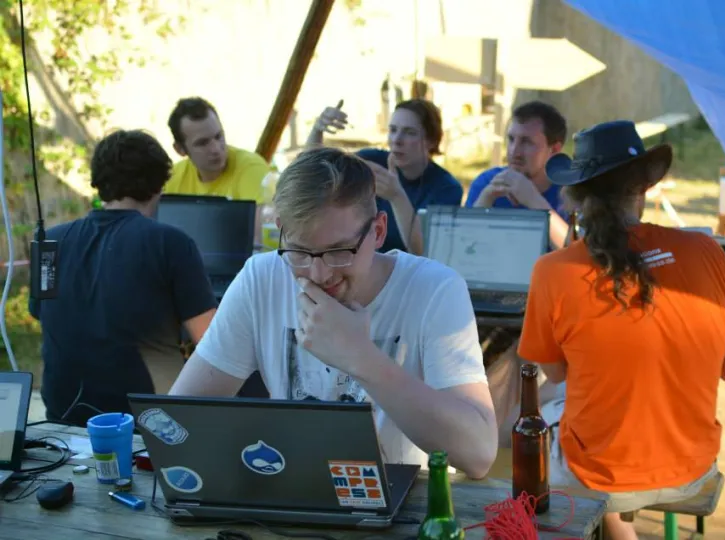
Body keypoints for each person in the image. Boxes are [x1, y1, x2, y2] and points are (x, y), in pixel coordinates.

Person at [168, 146, 498, 478]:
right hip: (293, 489)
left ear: (378, 231)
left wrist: (360, 357)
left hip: (404, 502)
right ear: (281, 230)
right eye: (299, 251)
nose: (318, 274)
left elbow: (479, 454)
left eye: (338, 252)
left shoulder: (434, 290)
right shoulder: (262, 278)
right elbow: (180, 418)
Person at [517, 120, 725, 539]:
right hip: (691, 468)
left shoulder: (552, 272)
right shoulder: (707, 251)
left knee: (538, 419)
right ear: (644, 187)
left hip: (601, 475)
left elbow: (559, 375)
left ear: (577, 196)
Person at [29, 130, 217, 427]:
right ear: (159, 184)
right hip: (146, 426)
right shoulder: (171, 243)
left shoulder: (50, 242)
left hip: (62, 419)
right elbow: (211, 341)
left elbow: (45, 315)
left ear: (97, 181)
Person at [306, 98, 463, 255]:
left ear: (431, 141)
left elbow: (425, 252)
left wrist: (396, 196)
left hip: (412, 274)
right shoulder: (374, 161)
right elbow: (313, 169)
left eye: (410, 133)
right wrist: (317, 130)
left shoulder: (447, 188)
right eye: (393, 130)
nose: (396, 140)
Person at [465, 100, 570, 249]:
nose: (514, 151)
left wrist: (533, 200)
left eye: (527, 142)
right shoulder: (487, 182)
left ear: (554, 150)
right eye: (511, 139)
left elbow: (578, 255)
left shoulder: (571, 191)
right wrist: (486, 198)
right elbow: (463, 246)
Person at [164, 97, 271, 242]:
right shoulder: (173, 177)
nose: (215, 149)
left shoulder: (251, 167)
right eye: (202, 143)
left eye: (218, 136)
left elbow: (259, 239)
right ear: (180, 149)